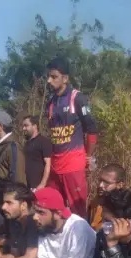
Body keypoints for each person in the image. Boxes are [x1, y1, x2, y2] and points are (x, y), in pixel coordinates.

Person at [45, 57, 99, 218]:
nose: (49, 81)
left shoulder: (78, 98)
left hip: (74, 165)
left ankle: (83, 235)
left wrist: (88, 156)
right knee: (53, 210)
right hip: (55, 167)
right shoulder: (51, 103)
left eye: (54, 77)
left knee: (78, 211)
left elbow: (92, 129)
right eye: (48, 76)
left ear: (65, 78)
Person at [0, 110, 27, 191]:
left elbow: (19, 181)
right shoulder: (1, 146)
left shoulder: (13, 147)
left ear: (0, 127)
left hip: (8, 195)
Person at [88, 164, 127, 231]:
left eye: (107, 183)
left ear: (120, 185)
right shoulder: (97, 200)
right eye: (100, 180)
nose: (100, 185)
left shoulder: (124, 207)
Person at [22, 115, 52, 191]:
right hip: (27, 186)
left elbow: (48, 164)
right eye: (23, 126)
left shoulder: (44, 142)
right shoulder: (27, 143)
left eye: (26, 125)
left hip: (38, 186)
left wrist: (42, 184)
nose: (23, 128)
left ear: (35, 126)